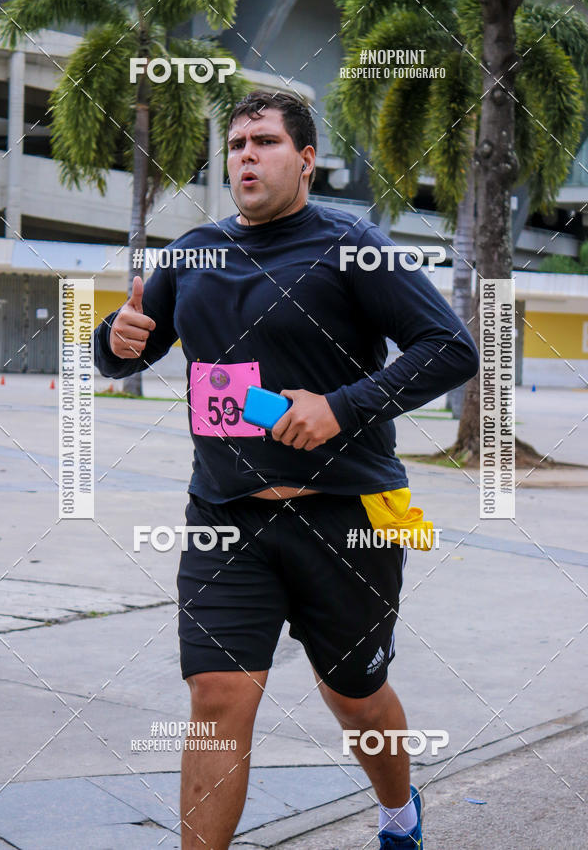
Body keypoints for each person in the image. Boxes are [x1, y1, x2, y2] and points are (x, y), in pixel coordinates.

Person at [94, 90, 479, 849]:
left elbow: (451, 348)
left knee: (356, 699)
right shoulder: (195, 252)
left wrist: (341, 406)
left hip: (348, 516)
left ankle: (399, 815)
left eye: (264, 141)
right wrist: (116, 336)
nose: (245, 155)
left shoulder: (351, 244)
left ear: (304, 160)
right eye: (236, 143)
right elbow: (120, 351)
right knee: (215, 697)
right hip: (226, 517)